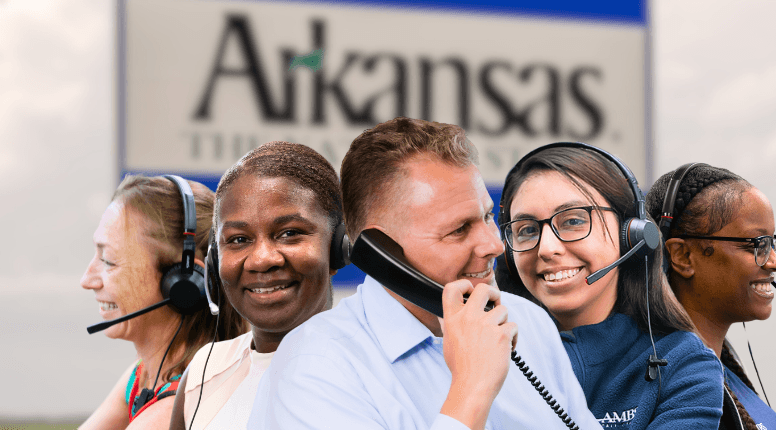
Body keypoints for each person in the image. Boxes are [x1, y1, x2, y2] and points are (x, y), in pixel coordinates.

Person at [248, 117, 601, 430]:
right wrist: (471, 388)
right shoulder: (315, 367)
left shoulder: (526, 322)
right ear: (382, 254)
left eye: (488, 216)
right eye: (460, 229)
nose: (493, 245)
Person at [495, 143, 724, 429]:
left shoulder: (684, 363)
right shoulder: (486, 353)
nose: (546, 248)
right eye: (526, 230)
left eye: (573, 221)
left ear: (631, 234)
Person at [167, 141, 347, 429]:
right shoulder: (204, 371)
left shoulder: (375, 371)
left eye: (289, 233)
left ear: (338, 247)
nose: (262, 259)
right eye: (238, 239)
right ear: (215, 260)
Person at [80, 175, 246, 429]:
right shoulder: (146, 375)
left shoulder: (168, 413)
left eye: (109, 261)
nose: (87, 280)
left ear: (186, 282)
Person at [645, 164, 776, 430]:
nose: (775, 262)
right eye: (756, 244)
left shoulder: (722, 364)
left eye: (773, 242)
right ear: (682, 256)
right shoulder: (675, 384)